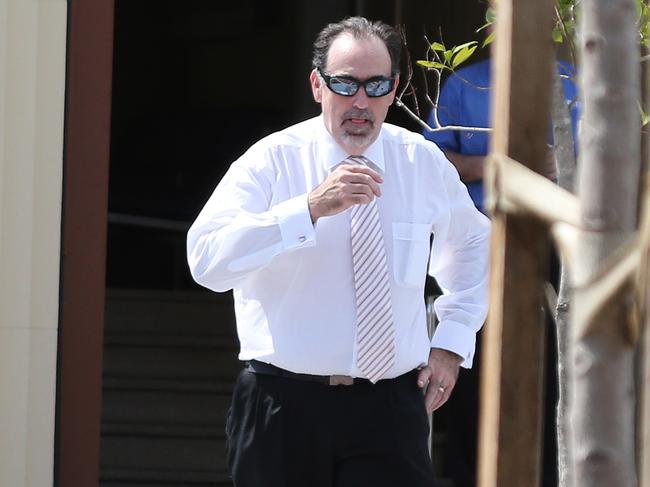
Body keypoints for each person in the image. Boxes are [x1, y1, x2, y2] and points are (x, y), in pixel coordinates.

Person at [187, 16, 490, 487]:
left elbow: (473, 242)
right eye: (345, 84)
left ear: (395, 89)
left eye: (375, 85)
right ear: (317, 85)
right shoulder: (272, 159)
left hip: (389, 408)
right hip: (283, 404)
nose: (360, 102)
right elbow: (206, 260)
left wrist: (452, 341)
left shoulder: (420, 160)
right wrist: (307, 209)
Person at [423, 57, 578, 487]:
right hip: (477, 238)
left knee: (556, 363)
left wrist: (565, 169)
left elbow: (609, 164)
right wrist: (488, 166)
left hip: (556, 240)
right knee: (472, 363)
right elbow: (426, 160)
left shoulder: (575, 81)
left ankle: (552, 476)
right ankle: (468, 475)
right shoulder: (463, 84)